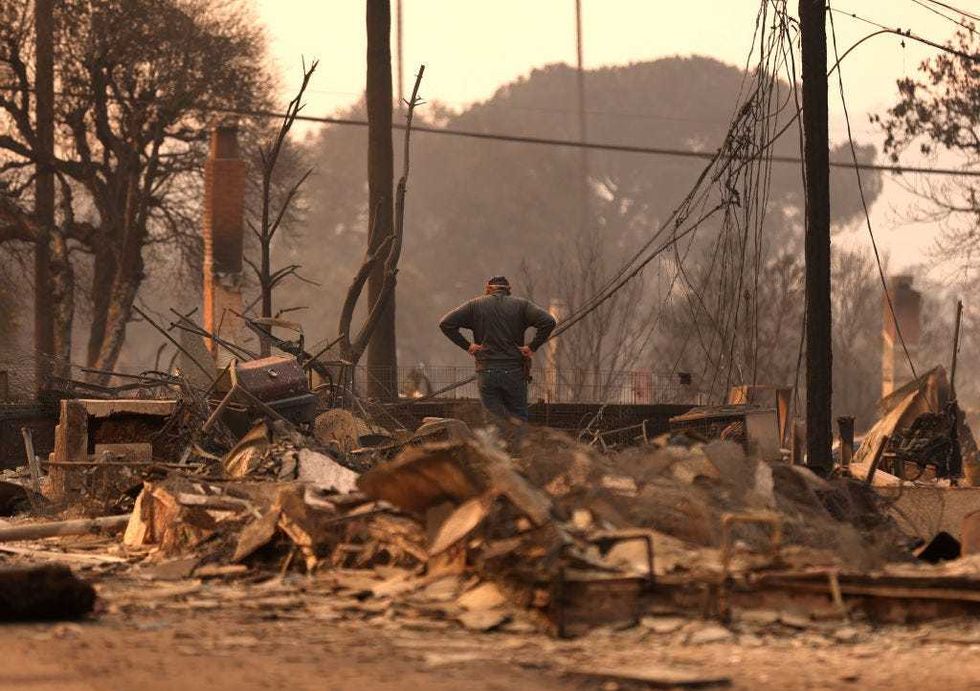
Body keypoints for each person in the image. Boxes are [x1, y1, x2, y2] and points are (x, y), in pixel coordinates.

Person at [439, 276, 557, 422]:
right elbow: (549, 321)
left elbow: (445, 323)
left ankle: (496, 444)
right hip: (514, 371)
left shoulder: (474, 306)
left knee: (492, 420)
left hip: (486, 370)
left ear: (488, 289)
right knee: (518, 418)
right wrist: (532, 347)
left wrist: (468, 346)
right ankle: (515, 444)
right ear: (508, 290)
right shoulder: (522, 305)